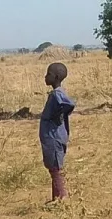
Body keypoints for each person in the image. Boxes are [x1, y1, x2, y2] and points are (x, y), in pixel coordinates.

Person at [40, 62, 74, 203]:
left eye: (49, 74)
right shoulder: (55, 94)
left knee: (55, 169)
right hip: (51, 136)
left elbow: (69, 104)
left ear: (56, 77)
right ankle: (56, 198)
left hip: (54, 137)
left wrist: (59, 114)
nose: (45, 76)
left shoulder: (57, 94)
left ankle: (62, 198)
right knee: (53, 168)